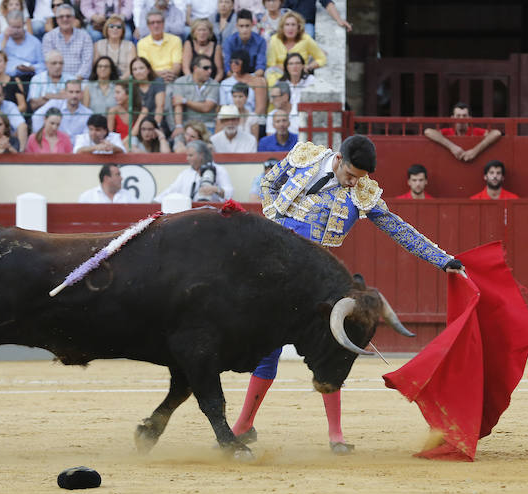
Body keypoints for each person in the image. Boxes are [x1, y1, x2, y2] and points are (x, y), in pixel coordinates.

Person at [234, 136, 464, 454]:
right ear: (339, 159)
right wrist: (275, 221)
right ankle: (243, 425)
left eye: (360, 177)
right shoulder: (305, 156)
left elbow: (398, 228)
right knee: (268, 347)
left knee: (332, 346)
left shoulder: (361, 193)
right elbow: (270, 181)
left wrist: (442, 260)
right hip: (276, 269)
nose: (354, 182)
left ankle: (336, 436)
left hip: (314, 276)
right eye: (351, 175)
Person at [155, 139, 233, 202]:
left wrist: (216, 189)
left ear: (201, 154)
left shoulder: (219, 170)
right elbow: (172, 190)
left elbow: (229, 192)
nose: (187, 158)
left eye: (191, 155)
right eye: (187, 155)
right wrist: (156, 201)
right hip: (189, 213)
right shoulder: (185, 173)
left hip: (212, 213)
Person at [424, 102, 502, 163]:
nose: (461, 119)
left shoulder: (475, 131)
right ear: (452, 118)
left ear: (470, 118)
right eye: (458, 116)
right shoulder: (448, 131)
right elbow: (428, 132)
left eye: (464, 116)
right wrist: (452, 147)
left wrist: (475, 151)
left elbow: (496, 133)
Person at [265, 11, 324, 86]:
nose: (290, 28)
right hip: (279, 74)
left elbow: (321, 58)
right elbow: (271, 64)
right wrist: (288, 68)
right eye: (287, 25)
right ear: (282, 27)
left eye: (293, 25)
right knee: (271, 76)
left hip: (299, 75)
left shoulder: (306, 39)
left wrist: (308, 67)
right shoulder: (274, 39)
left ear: (298, 27)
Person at [42, 3, 93, 79]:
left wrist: (75, 81)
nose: (65, 19)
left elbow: (87, 64)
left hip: (79, 82)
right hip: (56, 81)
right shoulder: (49, 37)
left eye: (68, 16)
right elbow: (49, 63)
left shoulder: (85, 37)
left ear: (73, 18)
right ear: (57, 19)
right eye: (61, 16)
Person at [0, 10, 44, 80]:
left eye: (18, 27)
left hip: (29, 77)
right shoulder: (0, 38)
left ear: (24, 25)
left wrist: (32, 68)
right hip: (5, 78)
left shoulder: (34, 42)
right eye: (12, 27)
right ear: (8, 25)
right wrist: (5, 40)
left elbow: (43, 65)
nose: (15, 31)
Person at [219, 49, 266, 129]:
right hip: (231, 121)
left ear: (245, 62)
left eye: (237, 62)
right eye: (231, 62)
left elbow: (260, 108)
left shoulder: (257, 81)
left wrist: (248, 122)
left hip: (252, 121)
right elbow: (223, 107)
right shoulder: (225, 83)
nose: (233, 64)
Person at [172, 54, 219, 133]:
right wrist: (179, 126)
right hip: (187, 125)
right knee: (178, 142)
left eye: (211, 68)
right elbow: (178, 105)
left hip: (207, 125)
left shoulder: (214, 84)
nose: (210, 71)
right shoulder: (180, 82)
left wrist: (185, 101)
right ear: (195, 68)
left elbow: (206, 108)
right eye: (206, 68)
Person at [136, 9, 181, 82]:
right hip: (152, 79)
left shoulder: (175, 40)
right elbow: (145, 67)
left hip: (172, 78)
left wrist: (169, 75)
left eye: (158, 22)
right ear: (148, 25)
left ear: (163, 23)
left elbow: (177, 65)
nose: (156, 25)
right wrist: (161, 76)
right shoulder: (142, 43)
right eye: (152, 23)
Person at [128, 56, 167, 134]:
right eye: (134, 69)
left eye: (141, 68)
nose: (138, 72)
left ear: (148, 70)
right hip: (138, 127)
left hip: (157, 124)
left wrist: (155, 127)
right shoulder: (132, 87)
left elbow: (160, 106)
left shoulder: (158, 81)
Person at [222, 9, 265, 77]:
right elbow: (227, 67)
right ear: (237, 26)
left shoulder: (260, 41)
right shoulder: (229, 41)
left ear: (252, 25)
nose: (244, 30)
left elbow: (260, 67)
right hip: (234, 76)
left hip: (253, 76)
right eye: (241, 26)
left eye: (247, 26)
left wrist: (249, 78)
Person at [92, 14, 135, 79]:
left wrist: (118, 81)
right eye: (111, 26)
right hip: (103, 81)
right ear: (106, 28)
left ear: (123, 30)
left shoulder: (130, 45)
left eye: (119, 27)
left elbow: (131, 69)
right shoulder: (98, 45)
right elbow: (95, 68)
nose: (115, 29)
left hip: (124, 81)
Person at [281, 0, 352, 37]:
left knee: (308, 37)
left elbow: (327, 3)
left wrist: (339, 19)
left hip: (306, 24)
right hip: (288, 23)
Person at [183, 18, 223, 82]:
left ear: (210, 32)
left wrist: (213, 84)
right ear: (194, 32)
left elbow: (220, 72)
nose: (202, 33)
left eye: (204, 30)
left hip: (211, 83)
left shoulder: (216, 47)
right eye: (199, 30)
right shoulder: (188, 44)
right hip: (191, 82)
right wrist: (193, 84)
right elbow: (185, 68)